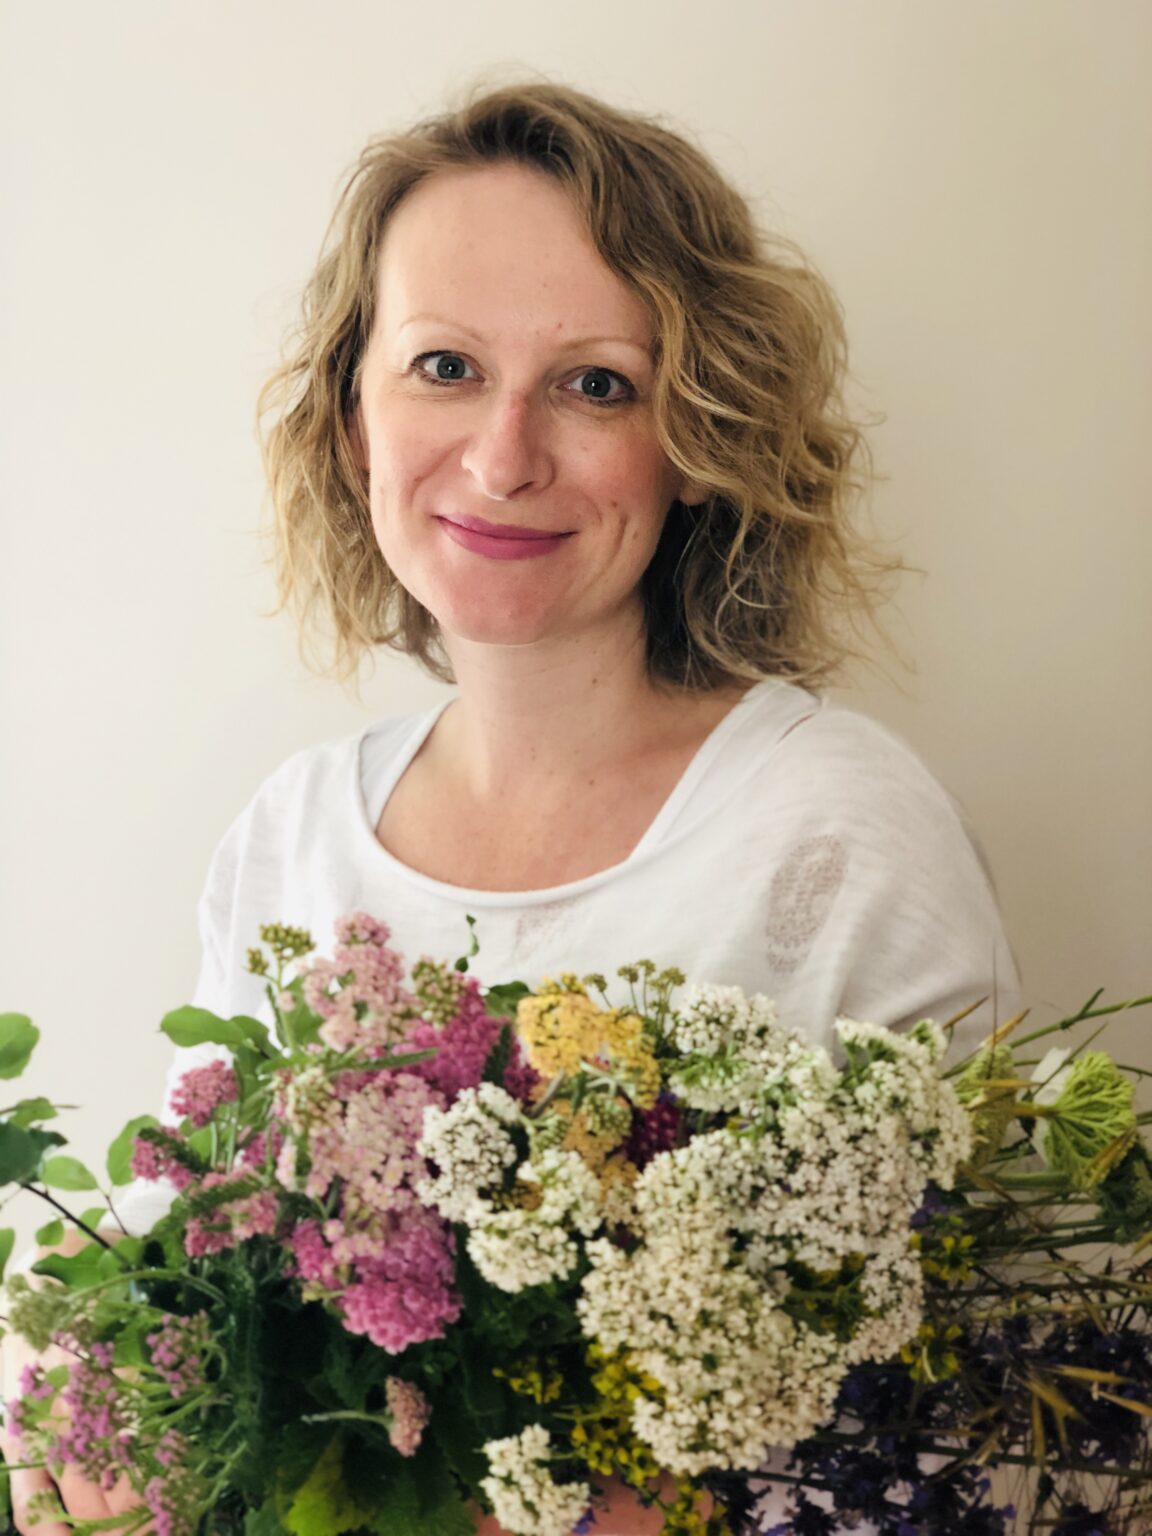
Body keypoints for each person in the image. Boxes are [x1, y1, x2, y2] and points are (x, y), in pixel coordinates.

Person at [2, 81, 1021, 1536]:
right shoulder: (292, 837)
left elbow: (989, 1428)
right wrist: (82, 1417)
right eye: (444, 366)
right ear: (353, 418)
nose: (502, 458)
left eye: (596, 384)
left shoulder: (838, 835)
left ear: (698, 435)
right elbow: (189, 1298)